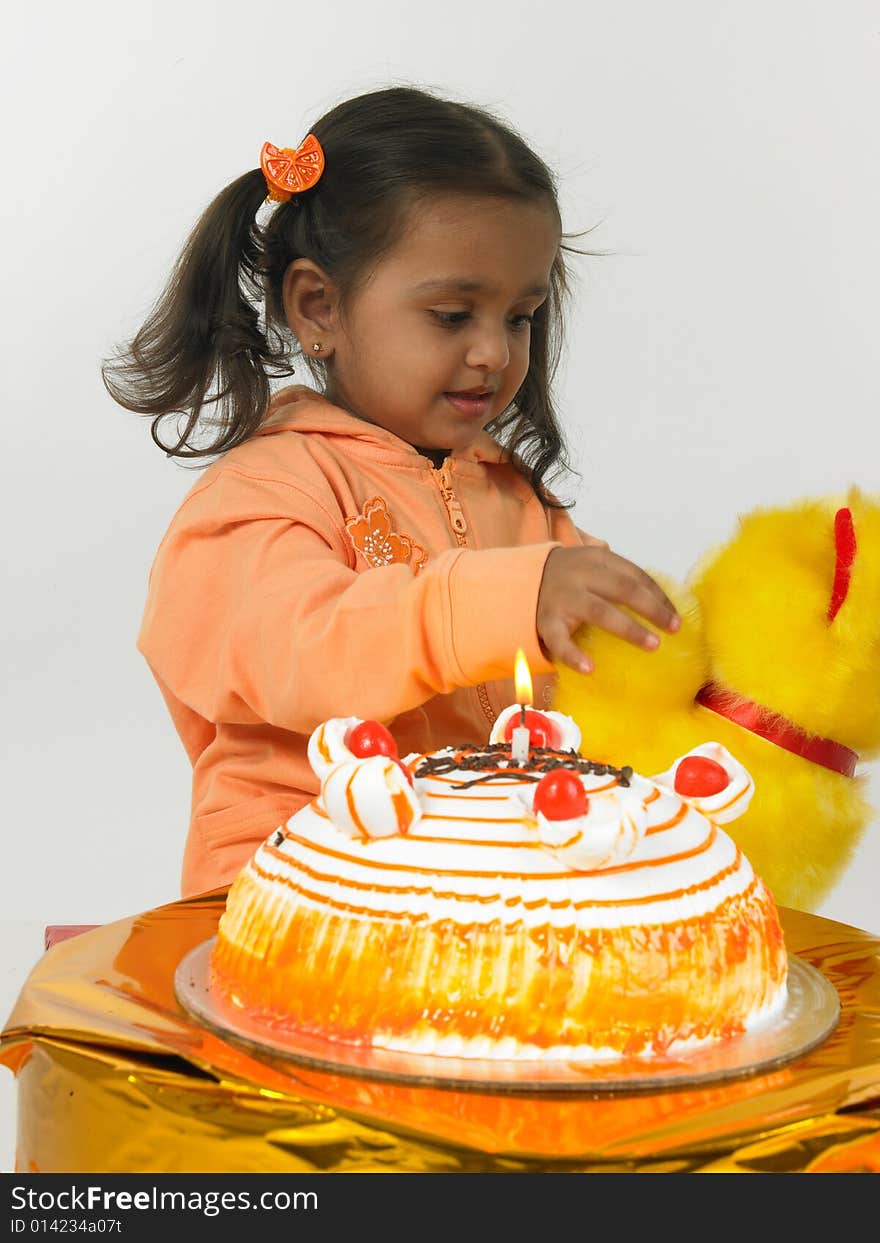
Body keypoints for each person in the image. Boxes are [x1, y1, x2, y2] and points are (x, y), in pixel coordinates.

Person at [103, 85, 680, 898]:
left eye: (520, 316)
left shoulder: (520, 502)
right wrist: (504, 599)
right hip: (289, 893)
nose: (493, 352)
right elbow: (310, 649)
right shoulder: (260, 496)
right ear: (318, 307)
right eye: (452, 314)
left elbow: (618, 660)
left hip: (470, 897)